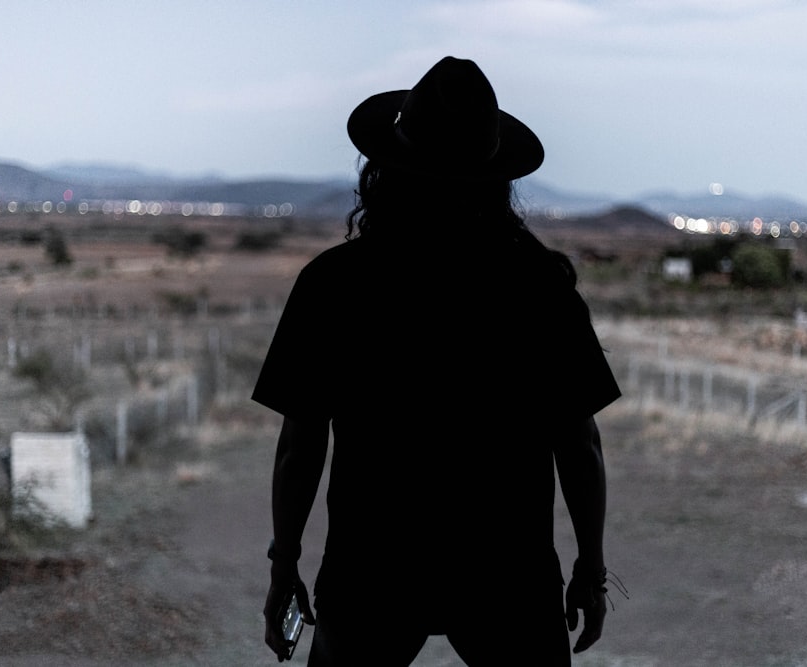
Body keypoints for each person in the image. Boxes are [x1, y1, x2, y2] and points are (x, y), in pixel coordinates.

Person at [254, 56, 622, 666]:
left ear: (386, 170)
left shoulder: (334, 284)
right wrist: (591, 565)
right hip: (508, 573)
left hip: (371, 569)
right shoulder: (537, 287)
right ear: (495, 177)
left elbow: (301, 443)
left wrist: (284, 564)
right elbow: (579, 442)